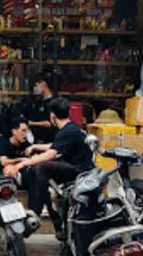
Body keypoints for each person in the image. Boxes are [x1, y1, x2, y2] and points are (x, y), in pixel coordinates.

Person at [19, 97, 95, 239]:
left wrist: (25, 162)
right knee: (41, 180)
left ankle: (36, 211)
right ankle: (58, 225)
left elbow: (51, 153)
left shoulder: (67, 130)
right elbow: (55, 145)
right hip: (75, 167)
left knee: (40, 167)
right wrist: (35, 147)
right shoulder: (70, 128)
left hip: (79, 170)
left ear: (52, 115)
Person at [26, 72, 57, 144]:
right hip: (35, 139)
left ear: (43, 83)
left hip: (48, 141)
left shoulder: (54, 101)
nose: (35, 88)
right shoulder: (37, 101)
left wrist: (31, 123)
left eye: (36, 85)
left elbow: (50, 123)